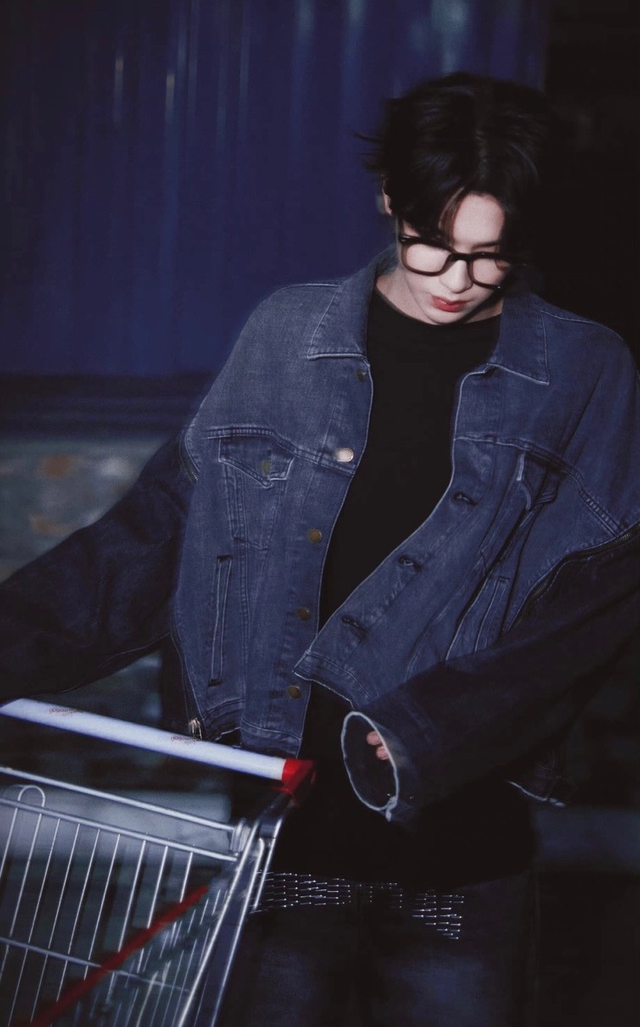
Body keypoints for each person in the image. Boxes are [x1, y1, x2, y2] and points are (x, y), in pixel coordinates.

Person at [1, 73, 638, 1026]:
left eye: (491, 255)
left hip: (458, 857)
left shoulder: (586, 370)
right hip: (285, 835)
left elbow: (594, 607)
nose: (457, 280)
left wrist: (430, 729)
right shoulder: (287, 334)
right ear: (389, 199)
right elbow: (156, 534)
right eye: (432, 243)